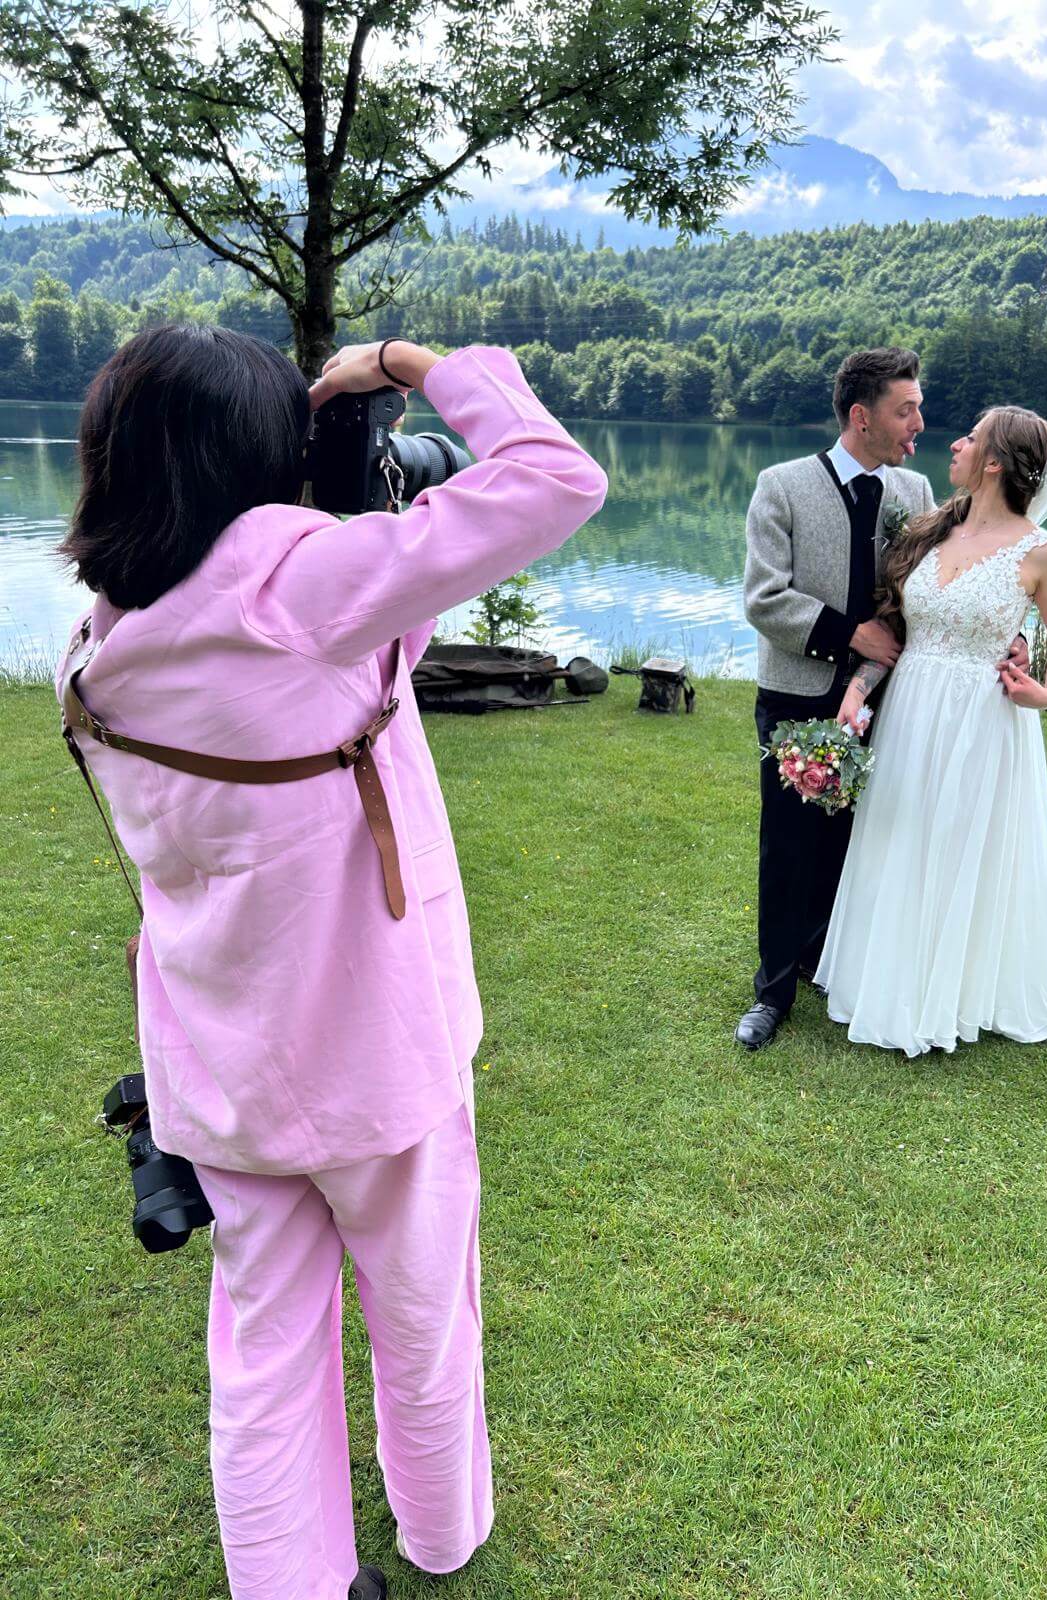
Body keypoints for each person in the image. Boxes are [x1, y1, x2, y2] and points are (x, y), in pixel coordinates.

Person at [54, 326, 607, 1600]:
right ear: (263, 453)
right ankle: (438, 1532)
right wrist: (423, 367)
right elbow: (555, 479)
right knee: (420, 1313)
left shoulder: (105, 637)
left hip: (218, 1046)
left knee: (263, 1341)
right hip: (372, 1038)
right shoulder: (298, 584)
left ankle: (287, 1578)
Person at [817, 404, 1047, 1056]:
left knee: (959, 842)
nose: (955, 444)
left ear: (994, 461)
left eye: (970, 438)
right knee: (903, 834)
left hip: (980, 720)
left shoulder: (1044, 555)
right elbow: (898, 632)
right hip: (911, 709)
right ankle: (891, 970)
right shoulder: (931, 529)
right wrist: (856, 693)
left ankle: (956, 989)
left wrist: (1045, 690)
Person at [736, 346, 1031, 1050]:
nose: (920, 423)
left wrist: (1011, 641)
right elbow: (763, 598)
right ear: (862, 417)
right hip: (800, 693)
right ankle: (773, 990)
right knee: (790, 844)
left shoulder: (916, 495)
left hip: (896, 702)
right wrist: (849, 639)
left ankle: (829, 960)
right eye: (907, 409)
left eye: (920, 408)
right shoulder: (780, 486)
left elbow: (953, 583)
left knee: (863, 836)